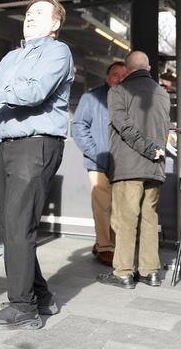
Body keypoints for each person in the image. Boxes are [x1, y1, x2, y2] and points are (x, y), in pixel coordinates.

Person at [0, 0, 74, 330]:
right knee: (12, 227)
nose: (30, 16)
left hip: (37, 145)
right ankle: (40, 296)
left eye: (39, 12)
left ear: (55, 24)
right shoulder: (11, 57)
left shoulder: (58, 52)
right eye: (28, 12)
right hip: (8, 146)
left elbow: (34, 92)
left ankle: (23, 307)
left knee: (18, 226)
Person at [97, 51, 169, 289]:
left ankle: (124, 273)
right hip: (155, 167)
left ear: (126, 70)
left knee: (125, 221)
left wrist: (147, 149)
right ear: (148, 68)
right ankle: (151, 272)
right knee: (149, 219)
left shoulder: (118, 91)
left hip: (129, 167)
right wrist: (154, 152)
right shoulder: (162, 94)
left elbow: (124, 127)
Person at [71, 61, 127, 266]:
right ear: (107, 77)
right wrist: (97, 154)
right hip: (98, 162)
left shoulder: (130, 98)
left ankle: (107, 244)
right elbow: (78, 127)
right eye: (115, 74)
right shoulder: (91, 97)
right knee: (102, 206)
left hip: (123, 163)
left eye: (124, 75)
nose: (119, 78)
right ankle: (105, 248)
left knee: (119, 207)